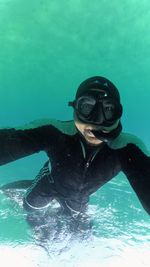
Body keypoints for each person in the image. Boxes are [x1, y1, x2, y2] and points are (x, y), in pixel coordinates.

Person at [0, 76, 150, 225]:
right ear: (75, 108)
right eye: (87, 107)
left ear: (118, 113)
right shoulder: (55, 132)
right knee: (31, 212)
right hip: (48, 186)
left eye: (108, 109)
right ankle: (32, 190)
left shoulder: (126, 148)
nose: (96, 121)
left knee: (80, 229)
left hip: (79, 198)